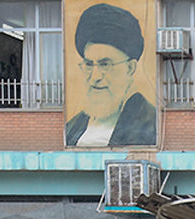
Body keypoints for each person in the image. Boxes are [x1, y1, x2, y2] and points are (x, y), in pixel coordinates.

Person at [65, 3, 157, 147]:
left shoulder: (150, 124)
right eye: (89, 64)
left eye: (105, 65)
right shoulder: (72, 127)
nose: (95, 77)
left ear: (130, 68)